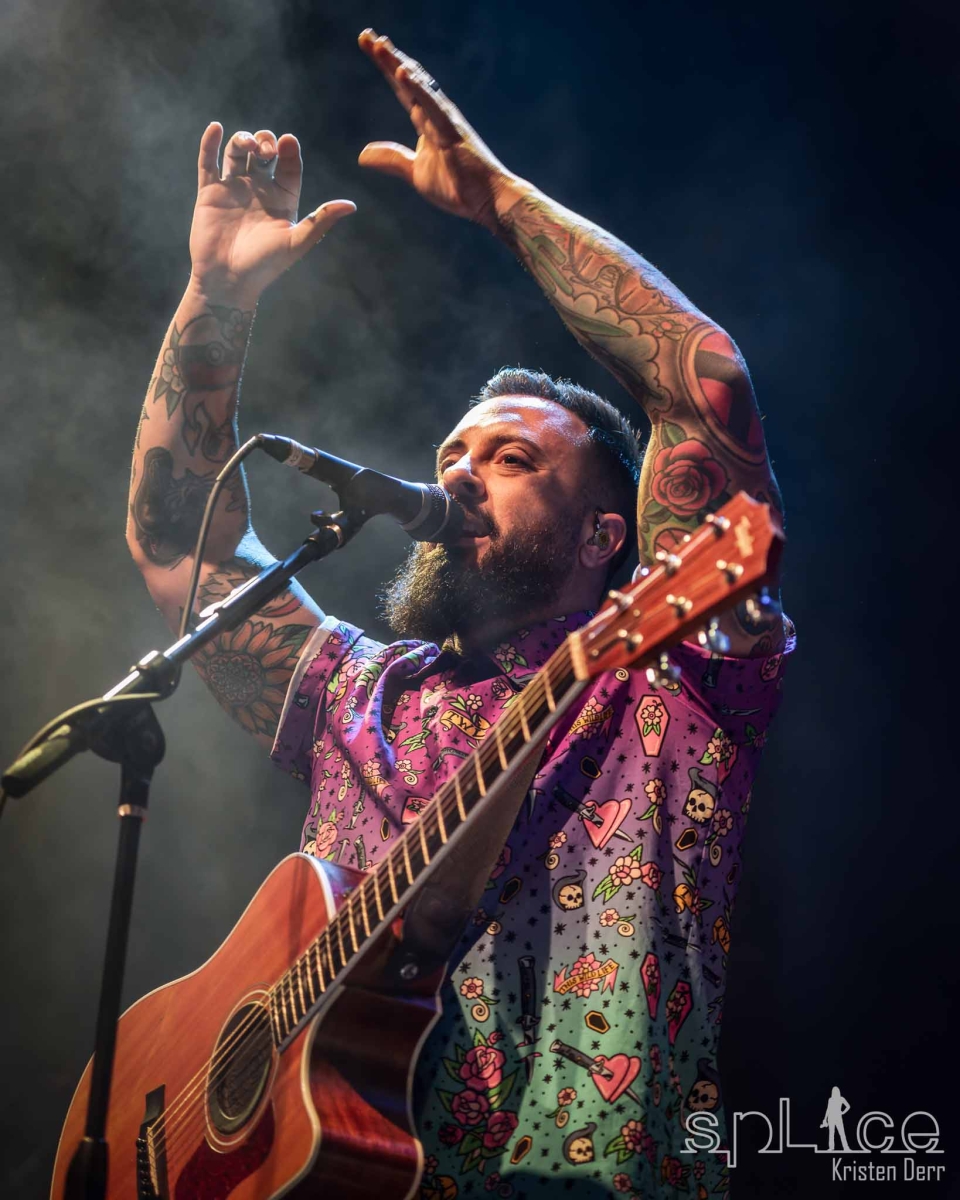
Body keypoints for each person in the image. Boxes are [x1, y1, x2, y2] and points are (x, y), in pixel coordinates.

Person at [126, 28, 792, 1199]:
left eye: (511, 459)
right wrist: (215, 298)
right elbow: (180, 545)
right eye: (451, 454)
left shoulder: (665, 675)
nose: (459, 475)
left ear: (609, 536)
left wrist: (500, 204)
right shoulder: (360, 696)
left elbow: (708, 387)